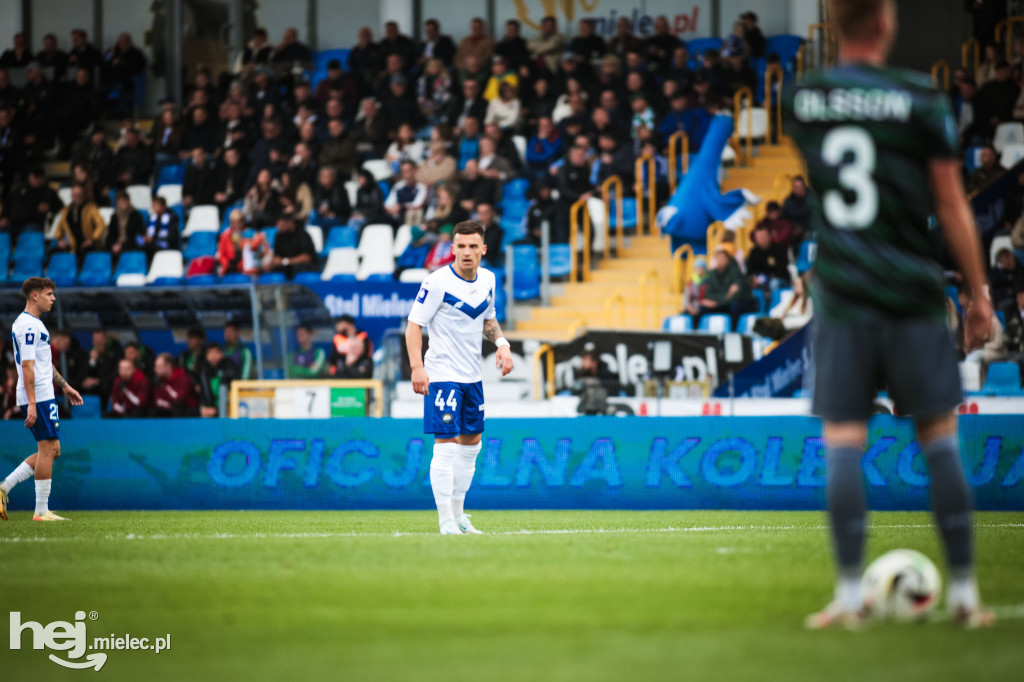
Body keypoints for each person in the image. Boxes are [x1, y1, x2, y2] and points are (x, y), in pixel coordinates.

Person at [786, 0, 995, 629]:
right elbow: (952, 204)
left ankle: (849, 598)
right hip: (912, 294)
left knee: (844, 442)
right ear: (884, 22)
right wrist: (980, 294)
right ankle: (963, 596)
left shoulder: (804, 99)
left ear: (836, 25)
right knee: (939, 440)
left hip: (844, 297)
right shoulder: (920, 97)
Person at [406, 221, 514, 534]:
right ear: (452, 249)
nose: (466, 252)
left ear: (484, 249)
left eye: (472, 246)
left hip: (472, 376)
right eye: (461, 246)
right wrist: (416, 366)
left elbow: (488, 318)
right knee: (447, 444)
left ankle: (459, 514)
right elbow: (414, 325)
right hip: (442, 374)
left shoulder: (489, 279)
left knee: (472, 445)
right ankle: (445, 521)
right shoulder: (437, 282)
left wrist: (503, 345)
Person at [0, 277, 84, 522]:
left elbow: (43, 365)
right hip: (39, 396)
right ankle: (40, 511)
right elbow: (27, 367)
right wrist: (33, 404)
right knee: (48, 450)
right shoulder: (28, 325)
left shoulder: (33, 324)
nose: (53, 298)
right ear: (35, 295)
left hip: (45, 394)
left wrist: (65, 386)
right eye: (49, 294)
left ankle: (4, 487)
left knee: (53, 450)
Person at [54, 183, 105, 258]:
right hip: (72, 246)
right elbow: (59, 228)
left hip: (88, 244)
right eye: (74, 195)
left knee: (84, 253)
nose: (76, 197)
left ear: (83, 195)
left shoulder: (91, 208)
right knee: (52, 253)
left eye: (78, 194)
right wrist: (60, 239)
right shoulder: (66, 212)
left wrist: (92, 239)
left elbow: (101, 225)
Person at [151, 353, 198, 417]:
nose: (155, 369)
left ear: (168, 366)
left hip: (188, 410)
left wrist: (164, 387)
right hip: (170, 409)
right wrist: (170, 405)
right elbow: (158, 401)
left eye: (158, 367)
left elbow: (179, 399)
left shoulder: (182, 377)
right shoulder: (160, 380)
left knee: (178, 410)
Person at [198, 343, 239, 418]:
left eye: (216, 352)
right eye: (210, 353)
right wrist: (205, 408)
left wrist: (216, 410)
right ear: (206, 356)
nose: (213, 356)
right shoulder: (203, 371)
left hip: (229, 407)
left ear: (222, 354)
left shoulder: (229, 367)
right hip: (209, 409)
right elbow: (203, 395)